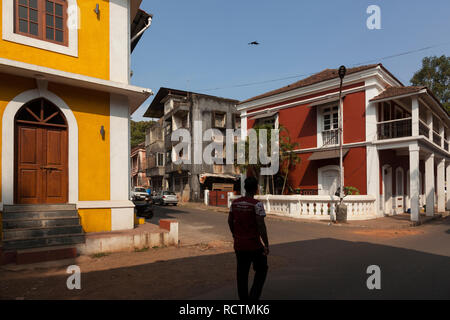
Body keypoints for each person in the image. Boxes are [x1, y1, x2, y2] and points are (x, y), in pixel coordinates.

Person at [228, 176, 269, 300]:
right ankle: (253, 296)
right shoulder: (257, 205)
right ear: (256, 189)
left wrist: (235, 235)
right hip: (254, 245)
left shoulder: (234, 203)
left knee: (242, 274)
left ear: (245, 188)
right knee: (262, 269)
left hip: (239, 244)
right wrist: (266, 244)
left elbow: (229, 221)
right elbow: (261, 225)